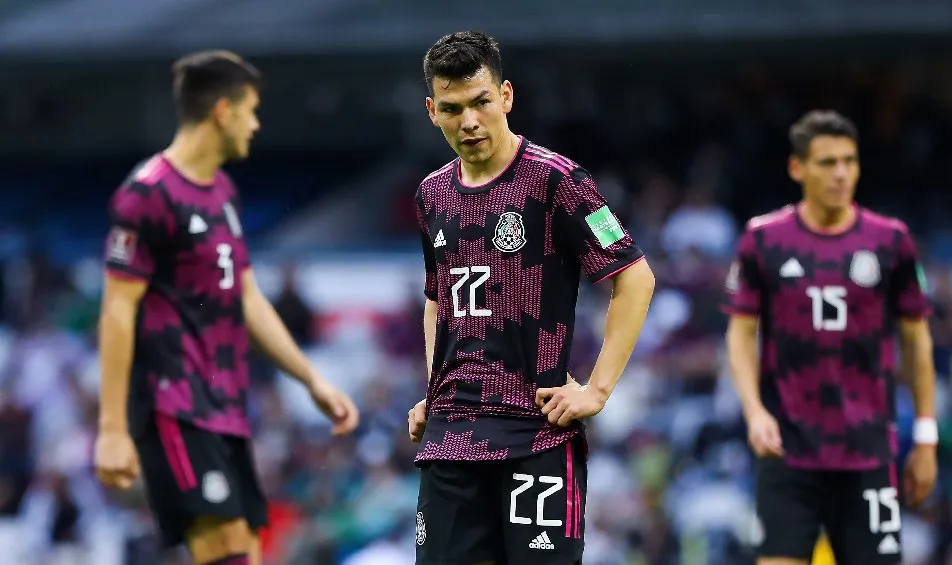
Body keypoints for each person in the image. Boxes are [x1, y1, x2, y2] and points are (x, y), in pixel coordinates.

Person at [92, 50, 360, 565]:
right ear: (221, 111)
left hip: (226, 405)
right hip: (173, 404)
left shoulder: (223, 194)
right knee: (223, 551)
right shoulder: (146, 195)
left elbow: (247, 296)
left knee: (246, 550)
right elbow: (116, 311)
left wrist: (311, 380)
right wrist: (111, 430)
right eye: (251, 109)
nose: (256, 124)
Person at [406, 31, 655, 565]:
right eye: (452, 108)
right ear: (432, 111)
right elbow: (438, 297)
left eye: (481, 102)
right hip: (452, 438)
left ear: (507, 97)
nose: (469, 121)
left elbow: (634, 275)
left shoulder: (556, 180)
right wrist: (436, 386)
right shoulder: (431, 195)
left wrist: (598, 390)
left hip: (535, 436)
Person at [724, 109, 939, 565]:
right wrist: (754, 412)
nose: (841, 173)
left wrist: (925, 436)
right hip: (787, 450)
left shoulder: (891, 241)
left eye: (849, 161)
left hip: (869, 452)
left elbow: (917, 342)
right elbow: (741, 334)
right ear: (797, 168)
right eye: (827, 162)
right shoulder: (763, 240)